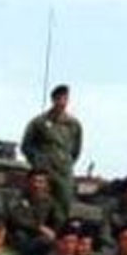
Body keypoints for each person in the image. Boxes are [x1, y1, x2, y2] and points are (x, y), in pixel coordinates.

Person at [20, 84, 83, 214]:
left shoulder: (73, 124)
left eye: (65, 99)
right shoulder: (39, 122)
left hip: (63, 172)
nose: (62, 102)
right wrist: (37, 161)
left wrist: (66, 163)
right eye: (59, 99)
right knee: (40, 202)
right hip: (44, 170)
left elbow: (76, 150)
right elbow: (26, 146)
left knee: (64, 203)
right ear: (53, 100)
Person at [4, 168, 65, 255]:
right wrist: (39, 227)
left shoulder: (50, 202)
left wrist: (55, 233)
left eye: (41, 182)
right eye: (34, 181)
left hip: (40, 238)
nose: (36, 185)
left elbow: (59, 221)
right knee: (21, 236)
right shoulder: (18, 197)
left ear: (46, 184)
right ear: (28, 182)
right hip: (20, 235)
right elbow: (16, 217)